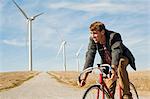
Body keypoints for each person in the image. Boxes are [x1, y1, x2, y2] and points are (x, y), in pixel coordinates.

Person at [78, 21, 136, 99]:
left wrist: (113, 68)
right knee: (109, 88)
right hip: (107, 61)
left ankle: (127, 95)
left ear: (102, 32)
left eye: (95, 33)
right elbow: (90, 55)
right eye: (91, 33)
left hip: (121, 57)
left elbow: (116, 52)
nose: (93, 36)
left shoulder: (114, 36)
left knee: (120, 65)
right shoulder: (93, 40)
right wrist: (84, 77)